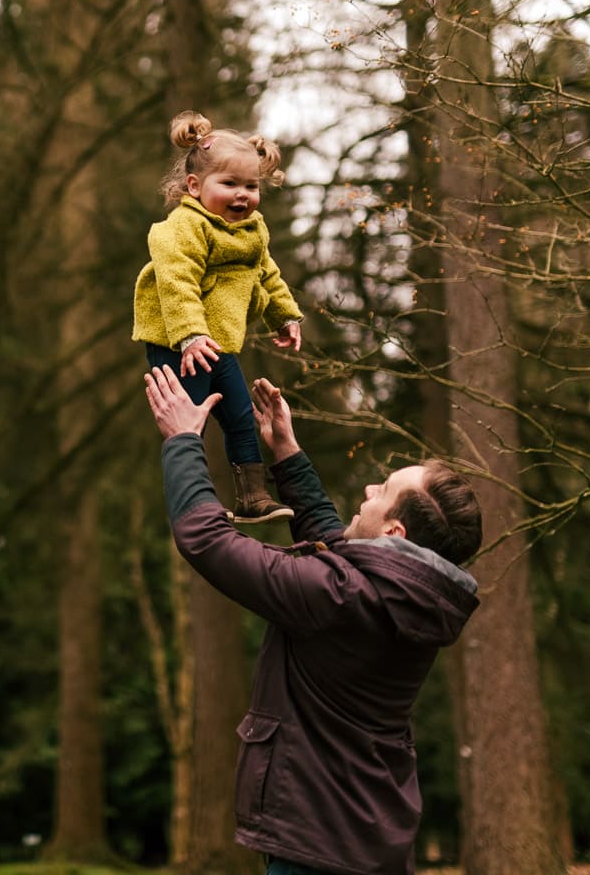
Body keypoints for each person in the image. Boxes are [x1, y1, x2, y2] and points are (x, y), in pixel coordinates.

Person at [143, 365, 482, 875]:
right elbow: (345, 551)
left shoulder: (339, 598)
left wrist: (183, 442)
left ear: (394, 530)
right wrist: (287, 453)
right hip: (365, 839)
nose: (368, 488)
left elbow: (207, 541)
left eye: (382, 489)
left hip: (315, 851)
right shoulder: (413, 598)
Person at [133, 110, 306, 523]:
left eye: (251, 185)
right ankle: (194, 505)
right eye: (229, 184)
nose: (242, 195)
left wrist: (284, 315)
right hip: (179, 342)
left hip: (219, 343)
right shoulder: (184, 227)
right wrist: (190, 335)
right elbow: (177, 281)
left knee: (241, 418)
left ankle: (253, 497)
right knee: (188, 422)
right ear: (194, 187)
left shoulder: (252, 231)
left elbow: (267, 273)